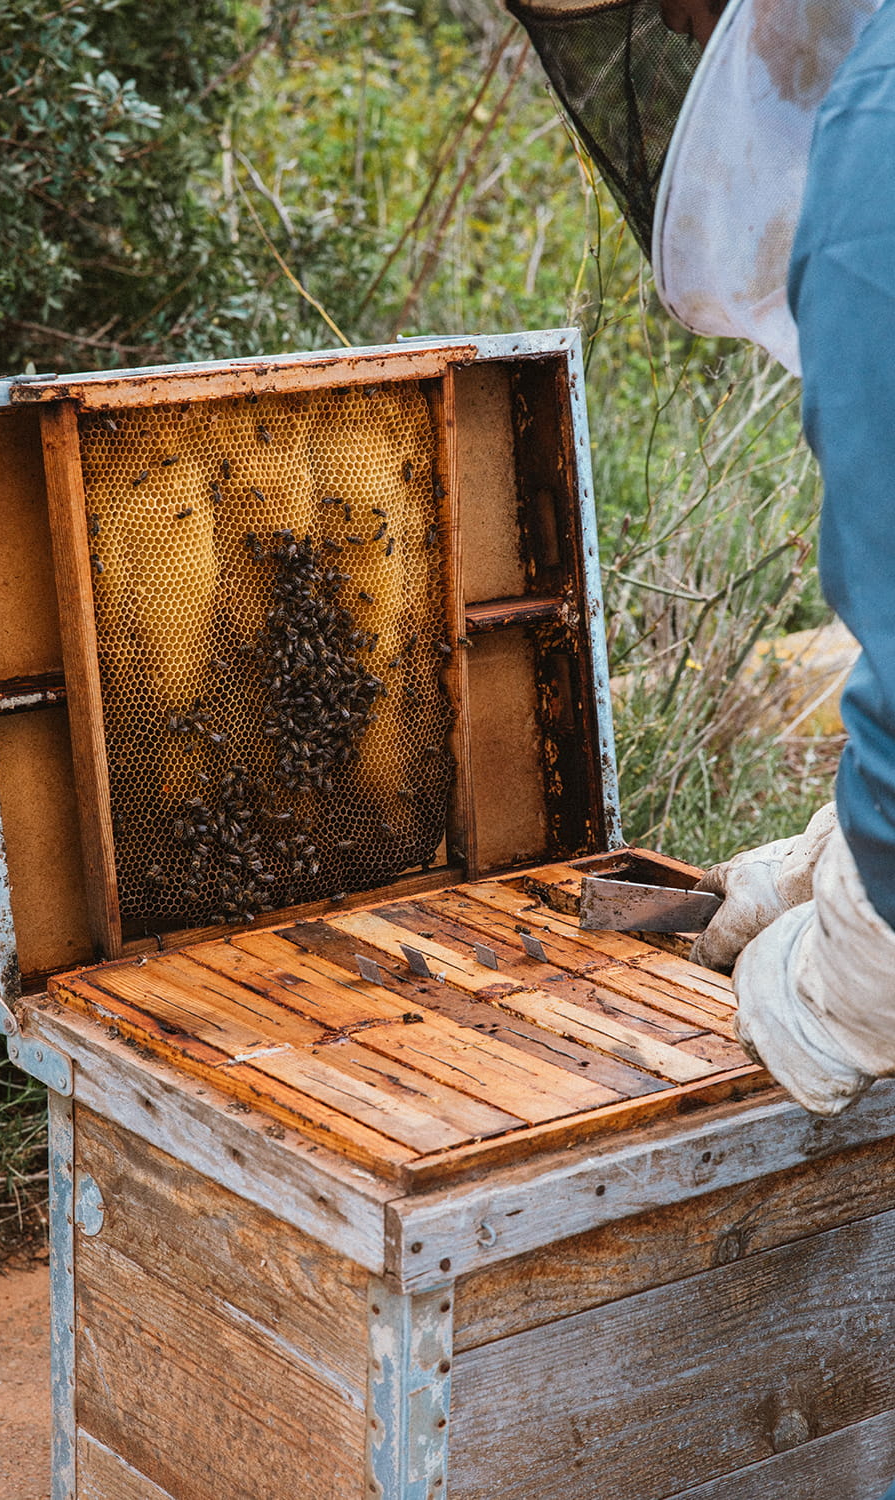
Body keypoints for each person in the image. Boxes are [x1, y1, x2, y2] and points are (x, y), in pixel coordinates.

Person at [507, 0, 895, 1115]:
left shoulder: (873, 165)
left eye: (669, 7)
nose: (677, 37)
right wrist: (835, 852)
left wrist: (851, 972)